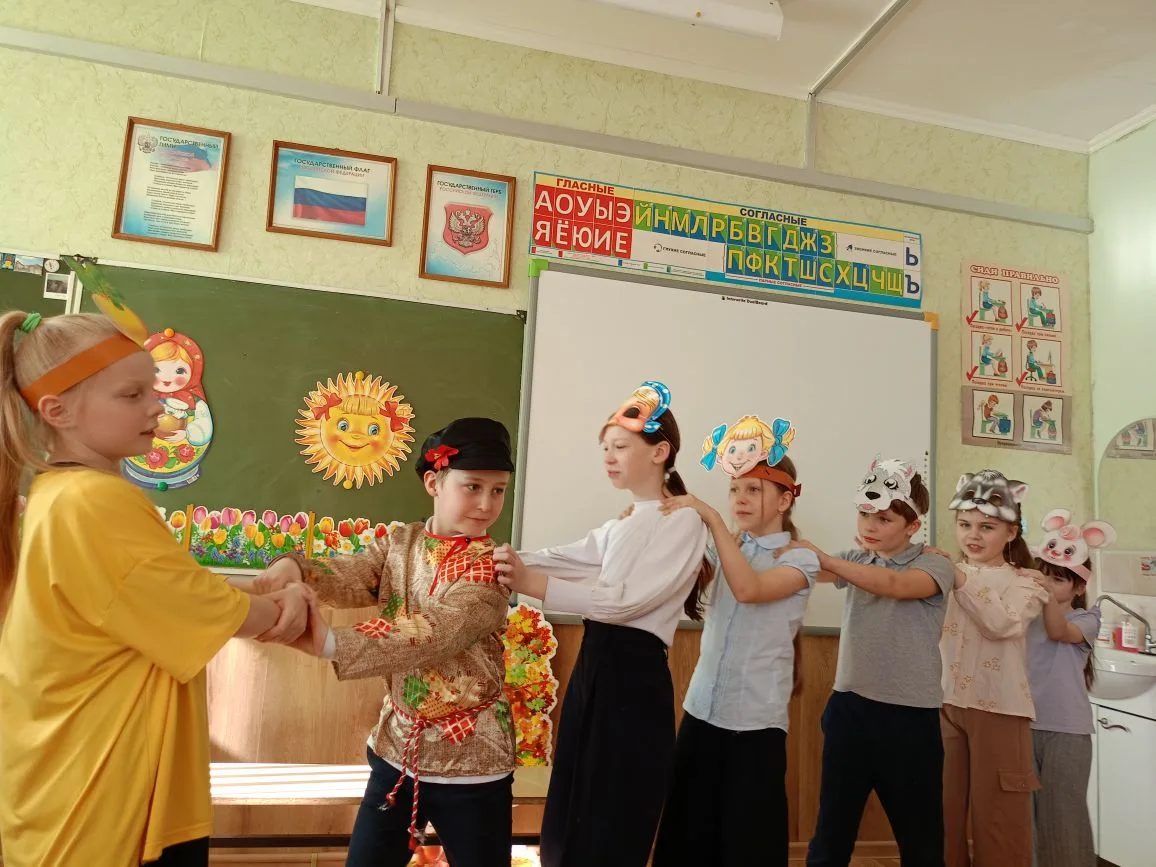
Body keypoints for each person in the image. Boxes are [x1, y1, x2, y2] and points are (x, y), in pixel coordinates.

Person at [0, 308, 309, 867]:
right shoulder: (96, 501)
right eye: (132, 394)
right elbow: (203, 606)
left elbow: (161, 584)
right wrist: (283, 607)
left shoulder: (57, 494)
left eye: (154, 390)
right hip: (103, 798)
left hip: (72, 782)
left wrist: (263, 585)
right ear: (57, 410)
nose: (158, 406)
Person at [255, 417, 518, 867]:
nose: (486, 503)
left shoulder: (492, 568)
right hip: (397, 753)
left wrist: (330, 643)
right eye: (473, 486)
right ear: (434, 482)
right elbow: (352, 573)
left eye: (498, 490)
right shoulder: (401, 542)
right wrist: (294, 567)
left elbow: (437, 632)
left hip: (473, 763)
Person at [493, 381, 711, 867]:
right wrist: (498, 558)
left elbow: (624, 603)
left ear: (660, 452)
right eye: (605, 449)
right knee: (574, 795)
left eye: (620, 447)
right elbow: (567, 558)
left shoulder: (683, 522)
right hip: (595, 667)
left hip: (633, 679)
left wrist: (529, 581)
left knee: (612, 808)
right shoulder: (623, 522)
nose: (609, 458)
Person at [651, 414, 816, 866]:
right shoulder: (725, 546)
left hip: (756, 724)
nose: (739, 499)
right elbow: (673, 570)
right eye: (734, 489)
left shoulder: (801, 559)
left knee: (747, 845)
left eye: (753, 489)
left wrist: (711, 519)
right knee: (684, 840)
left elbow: (749, 589)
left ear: (785, 499)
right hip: (702, 710)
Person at [797, 458, 954, 867]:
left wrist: (827, 561)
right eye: (865, 515)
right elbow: (802, 570)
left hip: (910, 719)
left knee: (921, 841)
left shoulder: (934, 563)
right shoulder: (856, 559)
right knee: (831, 834)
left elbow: (896, 585)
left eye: (883, 518)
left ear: (912, 526)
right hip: (850, 710)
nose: (870, 526)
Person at [941, 470, 1048, 867]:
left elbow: (1002, 624)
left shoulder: (1028, 582)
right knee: (941, 815)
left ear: (1011, 532)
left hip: (1000, 709)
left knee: (1000, 821)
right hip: (944, 703)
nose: (973, 535)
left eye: (986, 527)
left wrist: (959, 578)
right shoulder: (944, 574)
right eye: (965, 524)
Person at [1028, 510, 1115, 867]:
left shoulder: (1088, 618)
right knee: (1027, 824)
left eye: (1058, 579)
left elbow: (1058, 632)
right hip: (1023, 724)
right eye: (1044, 574)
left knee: (1064, 820)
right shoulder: (1025, 615)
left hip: (1066, 732)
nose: (1048, 584)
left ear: (1079, 587)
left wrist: (1042, 592)